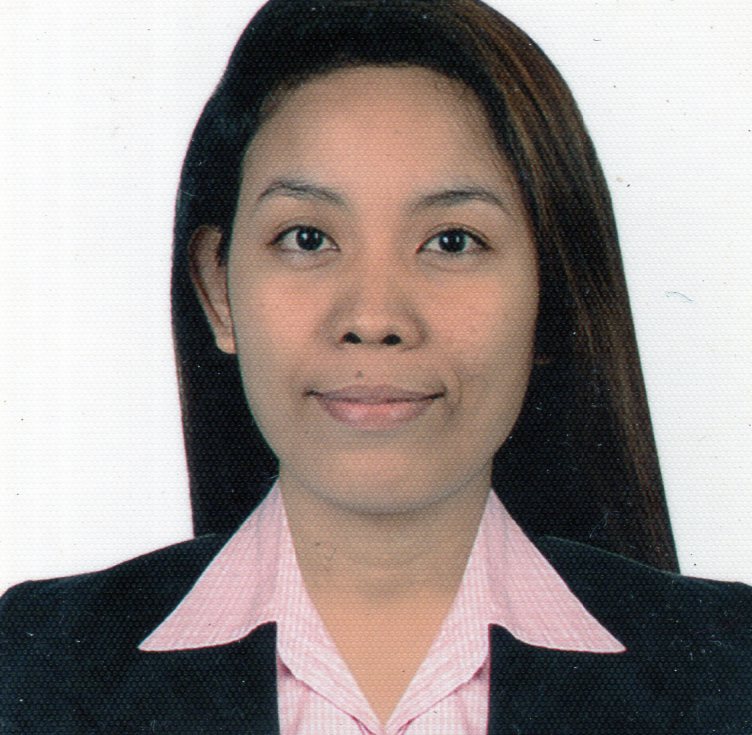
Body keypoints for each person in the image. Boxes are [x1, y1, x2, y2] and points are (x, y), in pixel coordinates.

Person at [1, 1, 750, 733]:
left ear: (551, 295)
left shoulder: (730, 668)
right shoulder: (35, 667)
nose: (374, 316)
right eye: (307, 237)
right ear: (218, 290)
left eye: (452, 241)